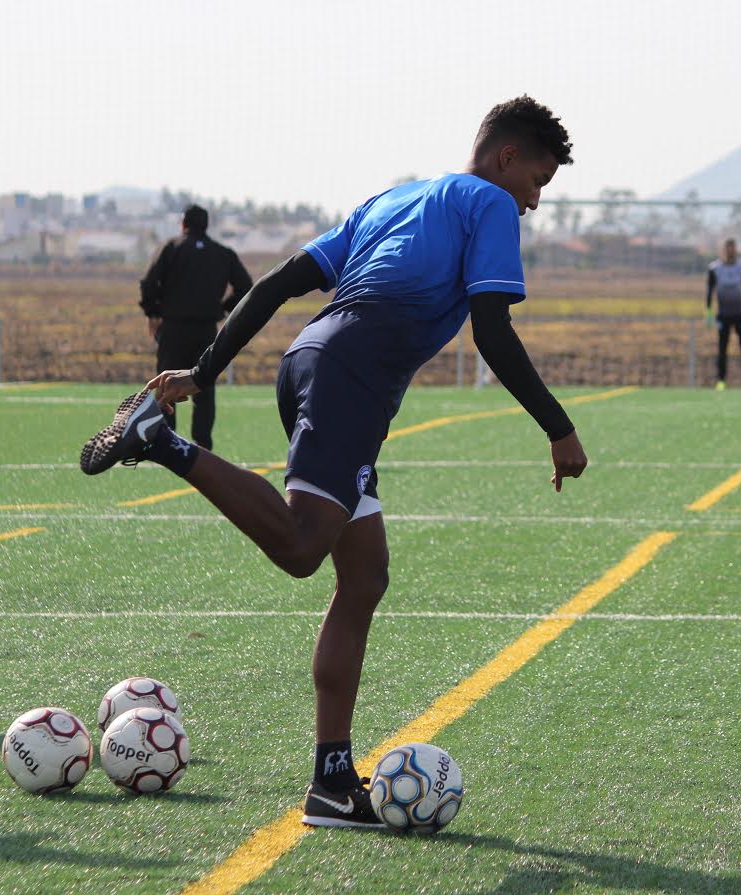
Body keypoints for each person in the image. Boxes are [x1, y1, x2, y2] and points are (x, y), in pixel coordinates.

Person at [80, 96, 589, 827]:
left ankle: (329, 780)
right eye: (538, 179)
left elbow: (279, 282)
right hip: (352, 374)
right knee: (299, 547)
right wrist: (558, 427)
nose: (537, 201)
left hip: (314, 360)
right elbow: (493, 330)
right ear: (507, 157)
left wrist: (204, 368)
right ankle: (160, 440)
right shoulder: (488, 205)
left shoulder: (397, 197)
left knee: (365, 573)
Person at [138, 204, 253, 450]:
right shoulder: (222, 253)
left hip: (173, 328)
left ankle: (165, 443)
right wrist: (223, 308)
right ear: (207, 225)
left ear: (183, 224)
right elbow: (246, 286)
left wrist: (153, 311)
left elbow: (149, 282)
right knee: (203, 383)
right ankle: (202, 446)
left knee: (167, 383)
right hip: (206, 329)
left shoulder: (171, 248)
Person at [705, 237, 741, 390]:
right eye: (727, 248)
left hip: (739, 314)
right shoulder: (714, 268)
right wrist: (708, 311)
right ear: (722, 249)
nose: (730, 251)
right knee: (722, 349)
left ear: (736, 250)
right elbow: (710, 291)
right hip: (723, 315)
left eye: (732, 248)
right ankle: (721, 381)